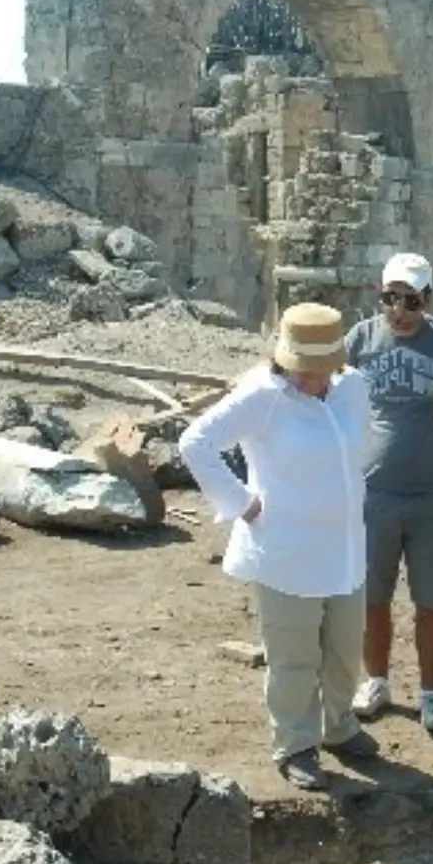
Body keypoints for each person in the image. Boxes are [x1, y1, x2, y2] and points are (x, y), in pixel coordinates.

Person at [179, 302, 380, 792]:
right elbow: (195, 442)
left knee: (343, 648)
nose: (314, 380)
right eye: (305, 371)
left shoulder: (352, 387)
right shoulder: (263, 395)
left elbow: (365, 446)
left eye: (322, 371)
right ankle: (295, 744)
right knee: (293, 656)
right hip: (287, 552)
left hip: (345, 547)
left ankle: (339, 724)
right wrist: (240, 501)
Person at [344, 252, 433, 733]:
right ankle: (376, 681)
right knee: (371, 598)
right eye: (390, 298)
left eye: (409, 300)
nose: (399, 310)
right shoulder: (361, 339)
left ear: (427, 298)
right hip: (370, 496)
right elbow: (324, 392)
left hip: (428, 498)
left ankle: (431, 694)